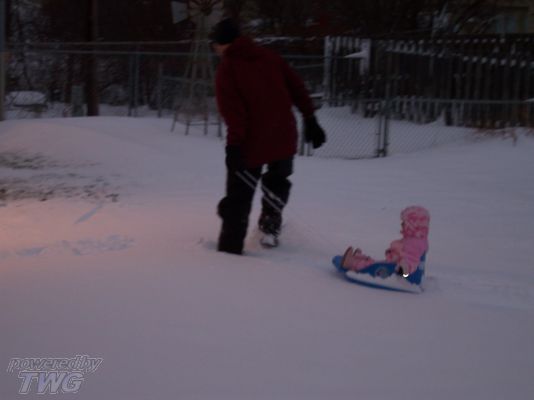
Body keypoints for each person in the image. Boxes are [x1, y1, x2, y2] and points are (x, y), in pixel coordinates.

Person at [209, 18, 326, 255]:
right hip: (283, 136)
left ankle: (229, 253)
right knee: (277, 181)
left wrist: (233, 146)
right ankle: (269, 228)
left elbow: (235, 114)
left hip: (251, 142)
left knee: (239, 197)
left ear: (221, 44)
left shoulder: (228, 68)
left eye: (214, 46)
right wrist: (310, 118)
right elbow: (297, 87)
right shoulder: (269, 57)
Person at [341, 206, 430, 276]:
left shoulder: (414, 243)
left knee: (372, 266)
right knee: (375, 263)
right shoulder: (415, 239)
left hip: (394, 269)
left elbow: (411, 261)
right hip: (393, 264)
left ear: (414, 226)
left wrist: (403, 271)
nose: (402, 224)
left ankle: (351, 263)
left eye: (405, 223)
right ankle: (358, 258)